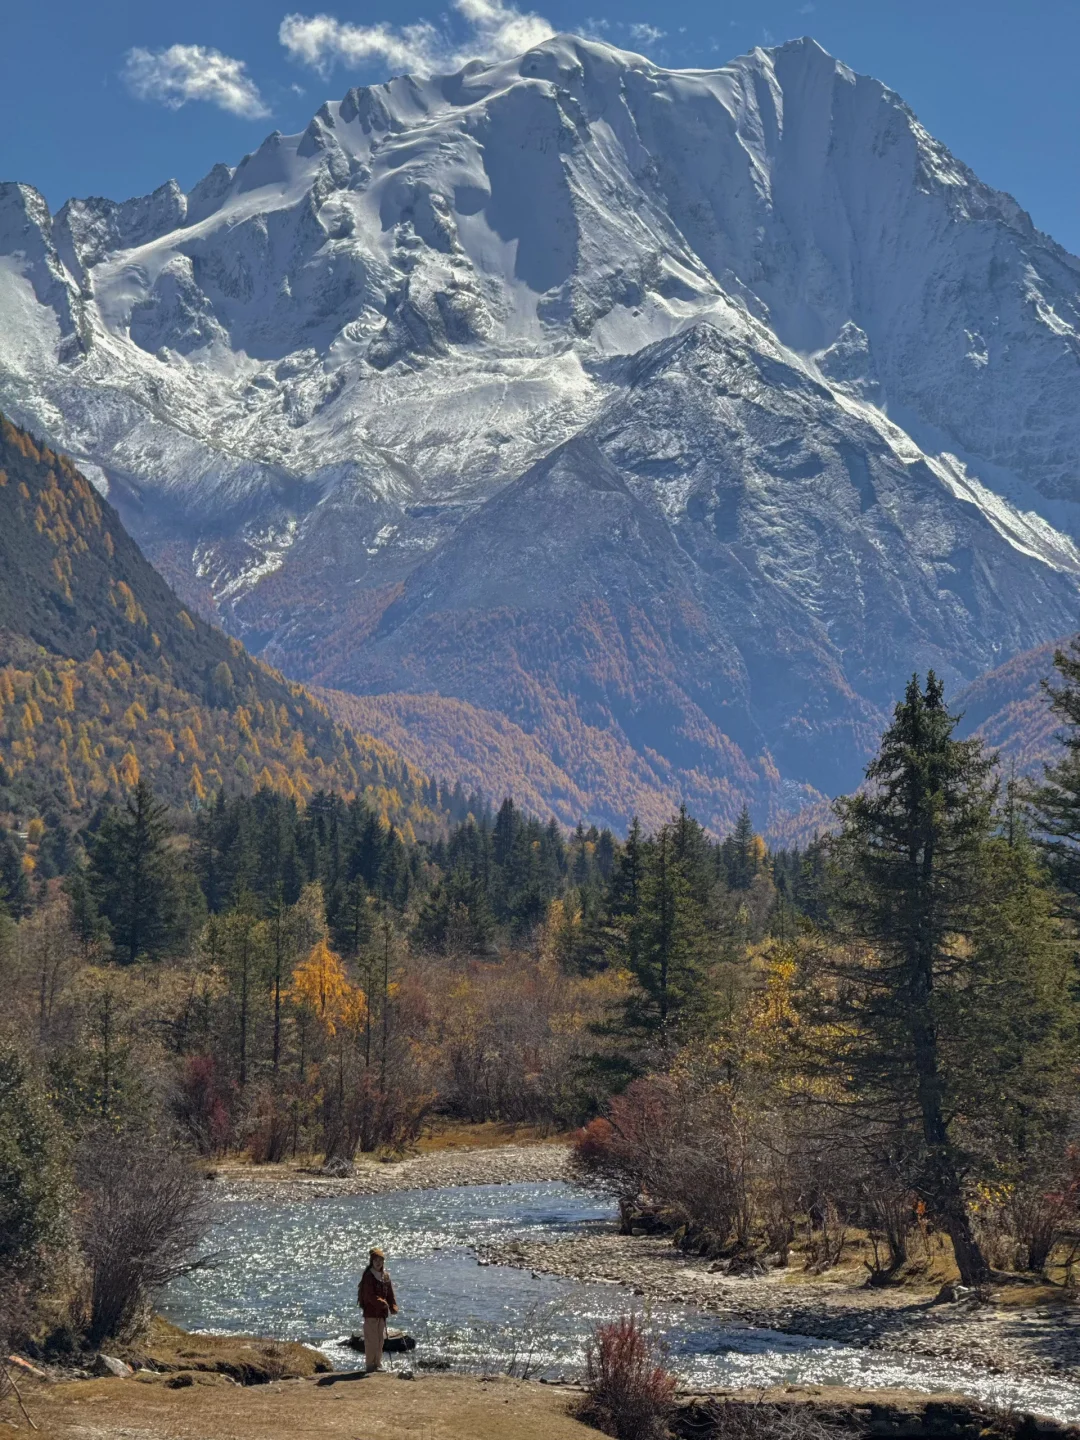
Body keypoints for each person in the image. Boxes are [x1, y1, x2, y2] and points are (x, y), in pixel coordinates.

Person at [357, 1247, 398, 1372]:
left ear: (383, 1262)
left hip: (381, 1314)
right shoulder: (368, 1276)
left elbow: (390, 1293)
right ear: (371, 1261)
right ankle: (370, 1365)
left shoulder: (385, 1276)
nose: (378, 1263)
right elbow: (369, 1296)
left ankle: (378, 1364)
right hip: (370, 1314)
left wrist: (393, 1306)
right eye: (375, 1260)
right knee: (371, 1340)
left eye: (380, 1260)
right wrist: (383, 1303)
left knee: (380, 1340)